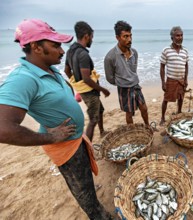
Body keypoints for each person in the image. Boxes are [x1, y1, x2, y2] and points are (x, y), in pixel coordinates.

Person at [0, 19, 112, 219]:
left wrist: (70, 96)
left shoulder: (48, 68)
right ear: (36, 47)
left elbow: (64, 84)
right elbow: (2, 127)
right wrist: (50, 137)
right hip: (64, 147)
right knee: (84, 195)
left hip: (76, 139)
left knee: (86, 179)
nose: (61, 51)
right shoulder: (23, 78)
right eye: (55, 45)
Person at [64, 21, 110, 142]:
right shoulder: (83, 54)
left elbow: (67, 70)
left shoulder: (70, 51)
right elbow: (86, 78)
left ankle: (102, 131)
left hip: (84, 91)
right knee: (93, 120)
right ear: (86, 36)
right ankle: (87, 145)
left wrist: (77, 84)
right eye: (91, 37)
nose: (92, 40)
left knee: (100, 110)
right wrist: (103, 89)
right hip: (90, 92)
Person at [104, 20, 150, 125]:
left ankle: (148, 126)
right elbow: (109, 78)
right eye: (125, 36)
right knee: (129, 113)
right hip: (124, 88)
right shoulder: (110, 57)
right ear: (117, 37)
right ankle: (132, 132)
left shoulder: (134, 53)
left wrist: (132, 80)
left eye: (130, 36)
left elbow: (133, 70)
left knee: (144, 108)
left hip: (136, 85)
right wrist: (122, 82)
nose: (129, 39)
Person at [159, 26, 189, 126]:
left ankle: (179, 112)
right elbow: (162, 67)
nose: (180, 37)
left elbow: (186, 66)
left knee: (181, 98)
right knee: (166, 99)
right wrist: (163, 82)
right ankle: (162, 118)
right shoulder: (166, 50)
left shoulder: (185, 51)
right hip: (171, 80)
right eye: (177, 35)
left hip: (181, 80)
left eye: (181, 35)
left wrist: (185, 79)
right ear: (172, 37)